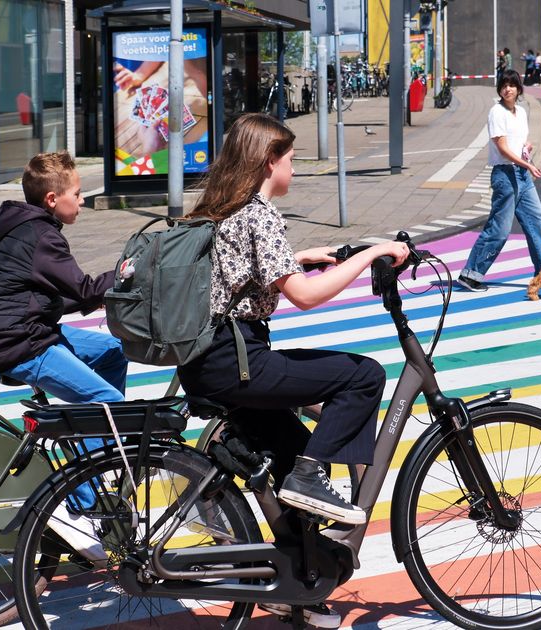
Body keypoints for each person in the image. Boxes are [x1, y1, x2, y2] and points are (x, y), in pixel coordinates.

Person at [176, 113, 408, 628]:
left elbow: (241, 272)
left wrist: (299, 255)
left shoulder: (224, 207)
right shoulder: (257, 213)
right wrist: (372, 252)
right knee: (363, 375)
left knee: (291, 456)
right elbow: (304, 298)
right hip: (239, 361)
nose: (296, 170)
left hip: (212, 360)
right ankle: (309, 476)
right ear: (267, 163)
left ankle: (294, 589)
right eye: (291, 160)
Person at [0, 151, 126, 561]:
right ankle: (84, 492)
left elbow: (53, 295)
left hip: (27, 331)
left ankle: (94, 450)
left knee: (111, 350)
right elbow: (87, 289)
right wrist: (130, 271)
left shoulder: (28, 228)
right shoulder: (43, 236)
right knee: (110, 404)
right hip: (21, 344)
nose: (84, 201)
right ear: (53, 198)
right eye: (78, 193)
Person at [457, 70, 541, 293]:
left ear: (519, 88)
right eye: (504, 85)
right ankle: (470, 274)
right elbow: (502, 148)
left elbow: (520, 142)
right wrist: (528, 164)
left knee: (538, 223)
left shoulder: (520, 112)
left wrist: (527, 150)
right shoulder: (496, 112)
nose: (508, 89)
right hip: (505, 176)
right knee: (499, 229)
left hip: (522, 175)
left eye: (512, 85)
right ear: (499, 88)